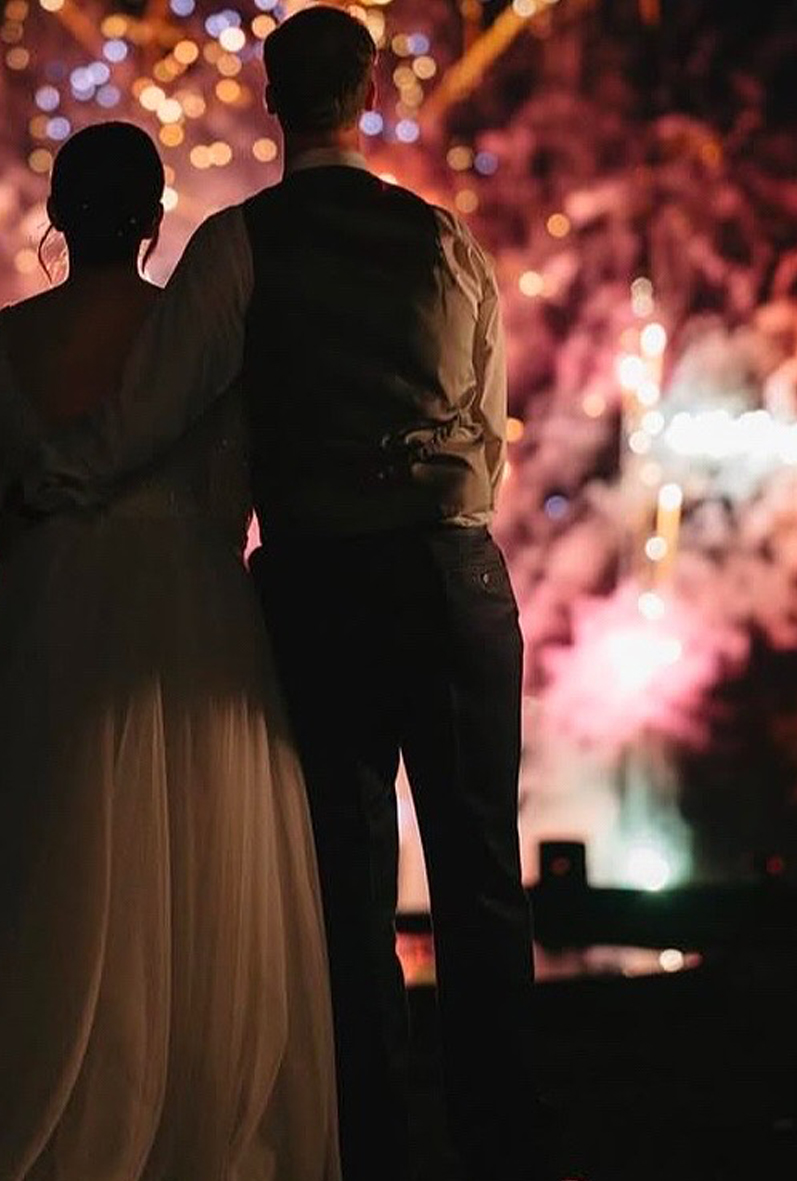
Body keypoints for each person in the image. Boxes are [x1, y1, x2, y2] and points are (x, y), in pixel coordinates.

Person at [22, 10, 553, 1181]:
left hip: (320, 583)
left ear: (270, 97)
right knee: (480, 881)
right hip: (451, 574)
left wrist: (47, 476)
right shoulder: (444, 242)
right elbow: (483, 438)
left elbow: (153, 408)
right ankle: (503, 1146)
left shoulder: (237, 245)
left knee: (348, 890)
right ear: (368, 93)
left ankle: (372, 1146)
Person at [0, 123, 339, 1180]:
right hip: (189, 614)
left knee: (47, 842)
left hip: (48, 600)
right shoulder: (198, 345)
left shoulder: (6, 343)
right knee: (197, 867)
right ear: (155, 219)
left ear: (58, 215)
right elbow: (230, 489)